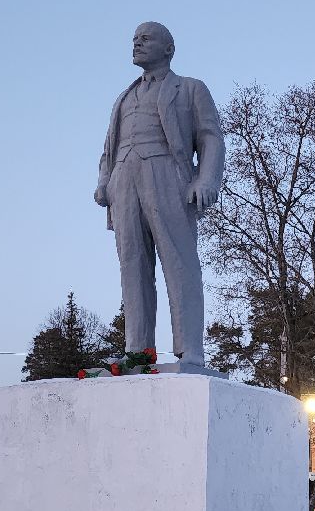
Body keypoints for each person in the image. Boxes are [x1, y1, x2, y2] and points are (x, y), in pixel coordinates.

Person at [94, 22, 224, 369]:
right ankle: (138, 351)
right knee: (132, 265)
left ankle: (190, 350)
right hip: (124, 180)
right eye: (134, 39)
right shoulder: (123, 97)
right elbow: (109, 145)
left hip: (168, 175)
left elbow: (210, 137)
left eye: (146, 38)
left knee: (179, 262)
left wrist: (206, 179)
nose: (136, 43)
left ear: (169, 49)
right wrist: (105, 179)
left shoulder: (190, 89)